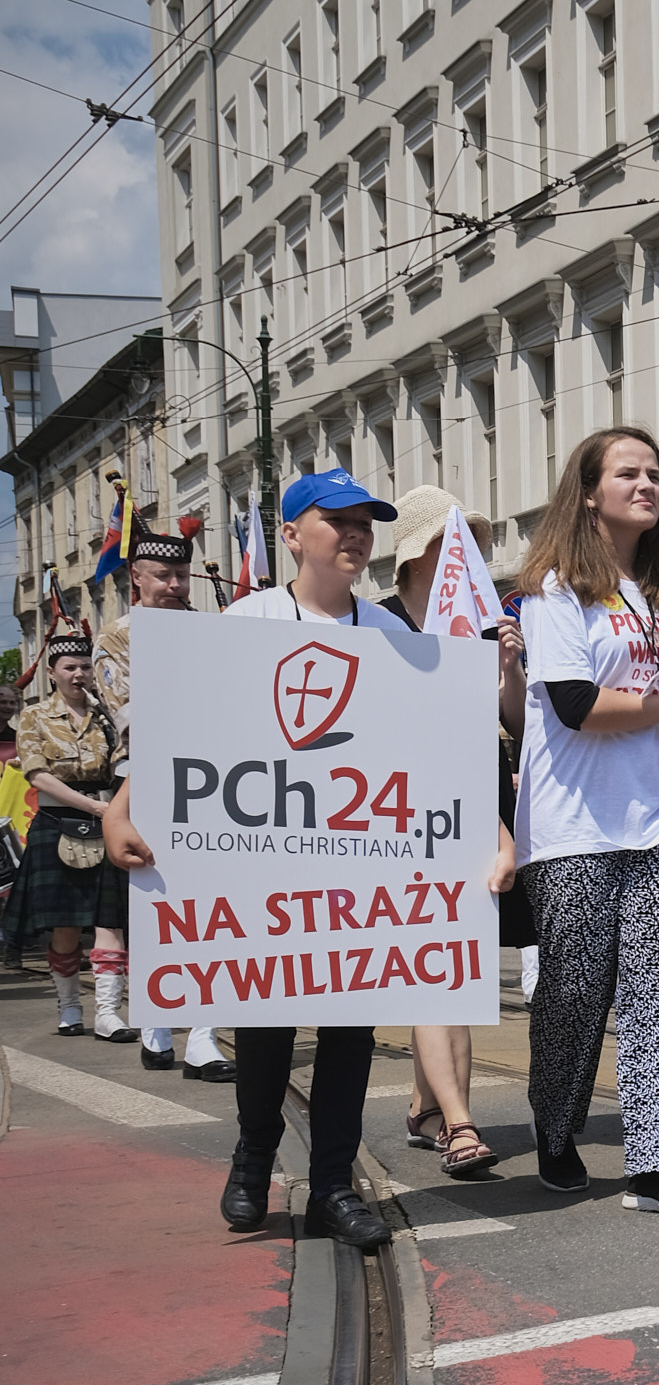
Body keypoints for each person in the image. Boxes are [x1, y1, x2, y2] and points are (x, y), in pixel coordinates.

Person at [518, 428, 659, 1219]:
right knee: (572, 990)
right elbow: (573, 707)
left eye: (654, 474)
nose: (646, 485)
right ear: (590, 489)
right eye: (628, 473)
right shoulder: (555, 588)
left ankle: (654, 1161)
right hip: (573, 825)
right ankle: (557, 1126)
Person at [220, 469, 415, 1249]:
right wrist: (132, 812)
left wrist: (489, 833)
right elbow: (192, 732)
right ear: (292, 534)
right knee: (264, 1022)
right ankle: (253, 1157)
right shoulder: (247, 619)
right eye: (337, 520)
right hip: (267, 858)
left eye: (365, 521)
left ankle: (334, 1183)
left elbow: (426, 751)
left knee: (349, 1027)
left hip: (358, 864)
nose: (356, 533)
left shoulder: (392, 634)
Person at [378, 488, 523, 1175]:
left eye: (469, 543)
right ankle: (460, 1123)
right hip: (402, 806)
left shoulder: (485, 625)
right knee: (440, 968)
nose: (466, 556)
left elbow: (517, 725)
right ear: (416, 556)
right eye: (449, 543)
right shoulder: (374, 626)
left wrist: (509, 671)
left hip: (476, 790)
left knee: (444, 958)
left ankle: (425, 1105)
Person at [91, 527, 235, 1081]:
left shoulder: (211, 630)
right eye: (163, 576)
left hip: (215, 783)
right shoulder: (117, 639)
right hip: (146, 781)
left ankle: (203, 1037)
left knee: (216, 913)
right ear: (138, 579)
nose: (175, 586)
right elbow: (133, 714)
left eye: (181, 576)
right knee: (160, 908)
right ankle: (156, 1026)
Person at [4, 631, 134, 1040]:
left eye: (84, 667)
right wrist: (96, 807)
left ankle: (109, 1012)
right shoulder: (34, 716)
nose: (79, 675)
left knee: (108, 920)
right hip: (58, 823)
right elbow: (38, 775)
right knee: (64, 926)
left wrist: (114, 809)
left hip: (108, 822)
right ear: (52, 672)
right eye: (70, 668)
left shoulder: (110, 718)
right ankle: (70, 1005)